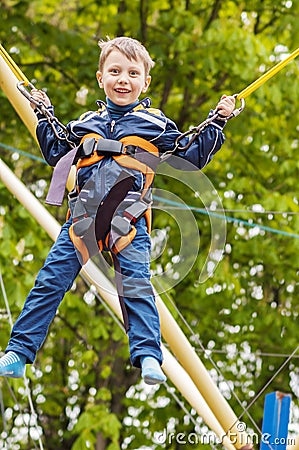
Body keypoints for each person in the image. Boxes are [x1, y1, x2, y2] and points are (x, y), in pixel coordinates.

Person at [0, 37, 235, 385]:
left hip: (129, 221)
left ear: (145, 82)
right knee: (49, 281)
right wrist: (42, 112)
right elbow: (56, 153)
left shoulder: (155, 125)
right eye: (115, 71)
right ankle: (19, 351)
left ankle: (149, 356)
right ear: (100, 78)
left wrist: (217, 121)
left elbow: (190, 157)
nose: (123, 79)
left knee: (137, 284)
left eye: (132, 73)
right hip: (82, 220)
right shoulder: (85, 124)